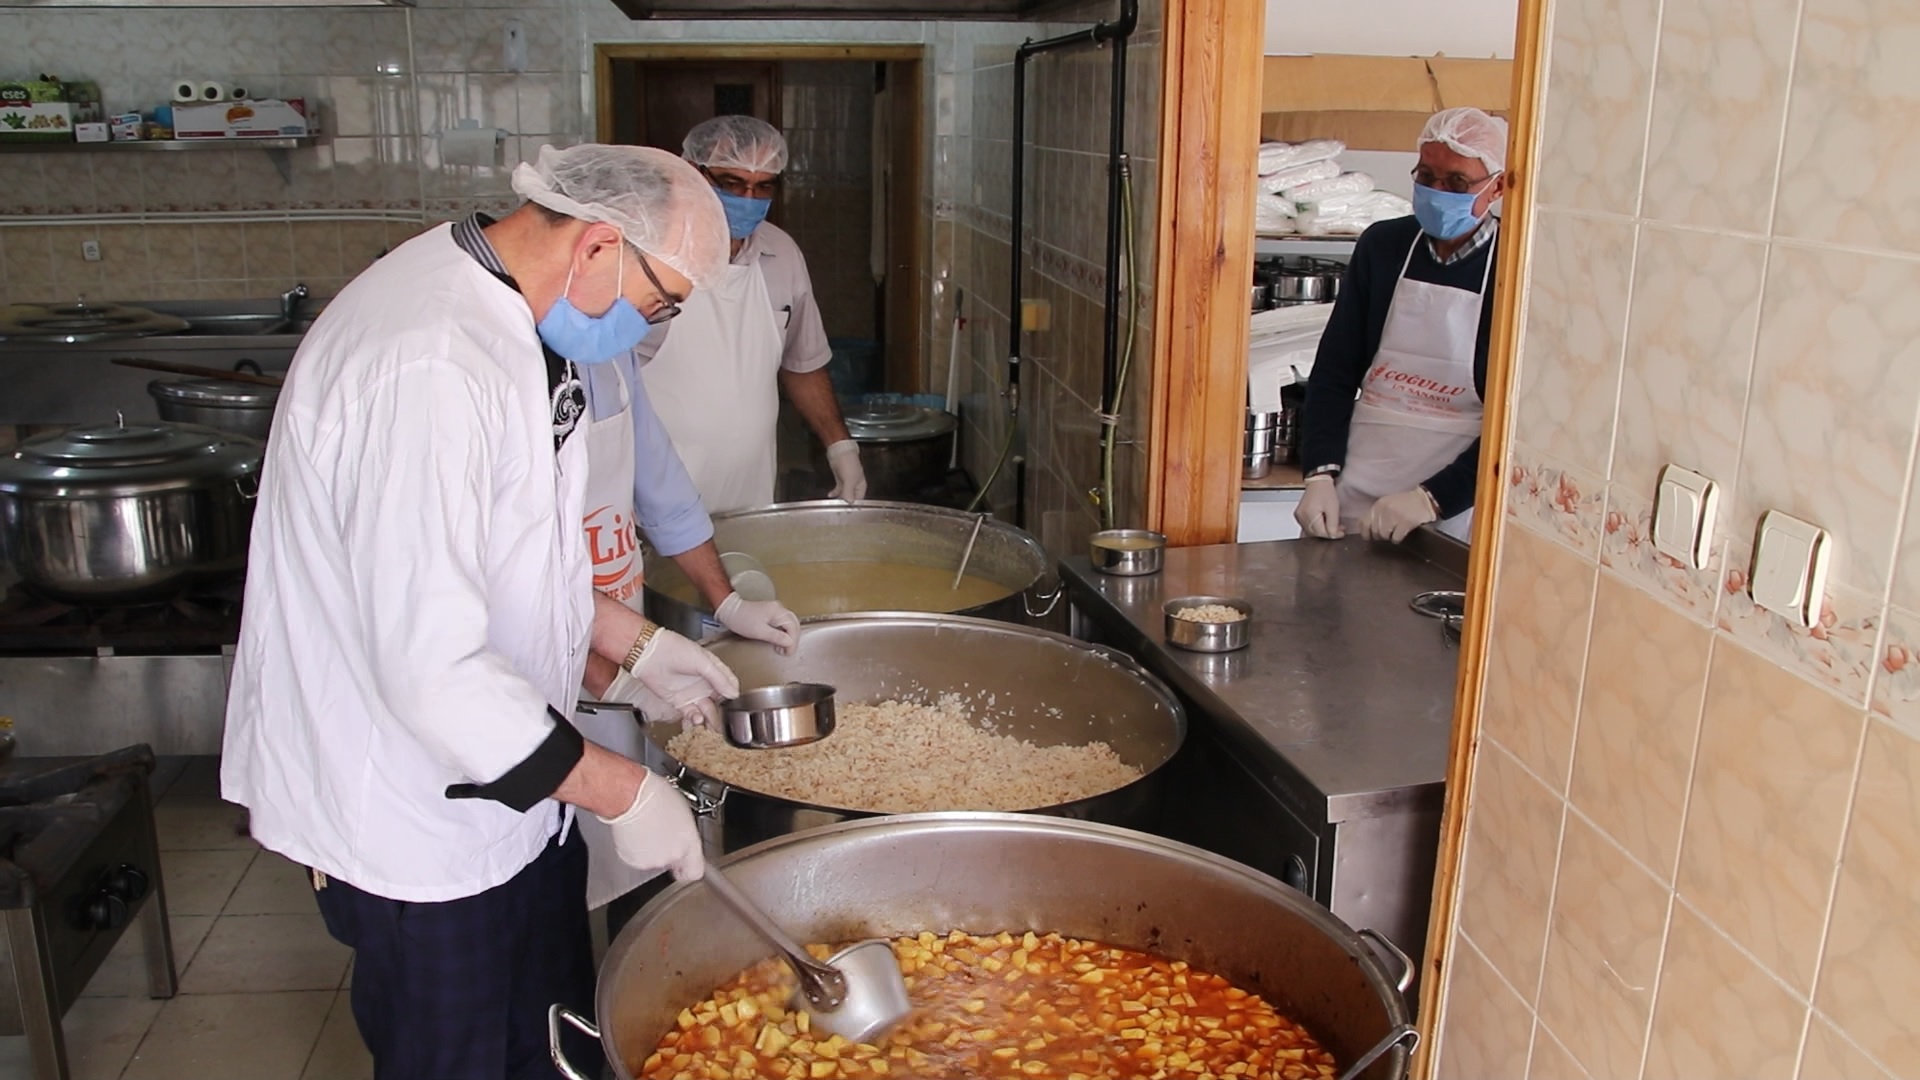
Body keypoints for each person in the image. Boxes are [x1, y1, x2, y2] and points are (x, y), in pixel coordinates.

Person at [222, 144, 742, 1080]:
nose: (651, 326)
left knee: (552, 1049)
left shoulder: (515, 316)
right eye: (660, 303)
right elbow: (429, 665)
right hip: (417, 826)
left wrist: (636, 645)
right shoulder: (427, 362)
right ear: (598, 245)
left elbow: (508, 558)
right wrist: (626, 791)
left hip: (518, 799)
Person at [1294, 107, 1509, 545]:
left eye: (1456, 183)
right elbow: (1335, 370)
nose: (1437, 192)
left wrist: (1433, 499)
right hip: (1359, 479)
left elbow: (1516, 424)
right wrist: (1319, 473)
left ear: (1497, 186)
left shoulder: (1515, 265)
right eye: (1426, 176)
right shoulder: (1384, 246)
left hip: (1454, 500)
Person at [637, 114, 866, 513]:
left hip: (750, 497)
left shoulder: (782, 255)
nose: (747, 199)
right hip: (652, 502)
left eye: (762, 187)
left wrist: (840, 446)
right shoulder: (645, 256)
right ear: (691, 173)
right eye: (731, 183)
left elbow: (803, 363)